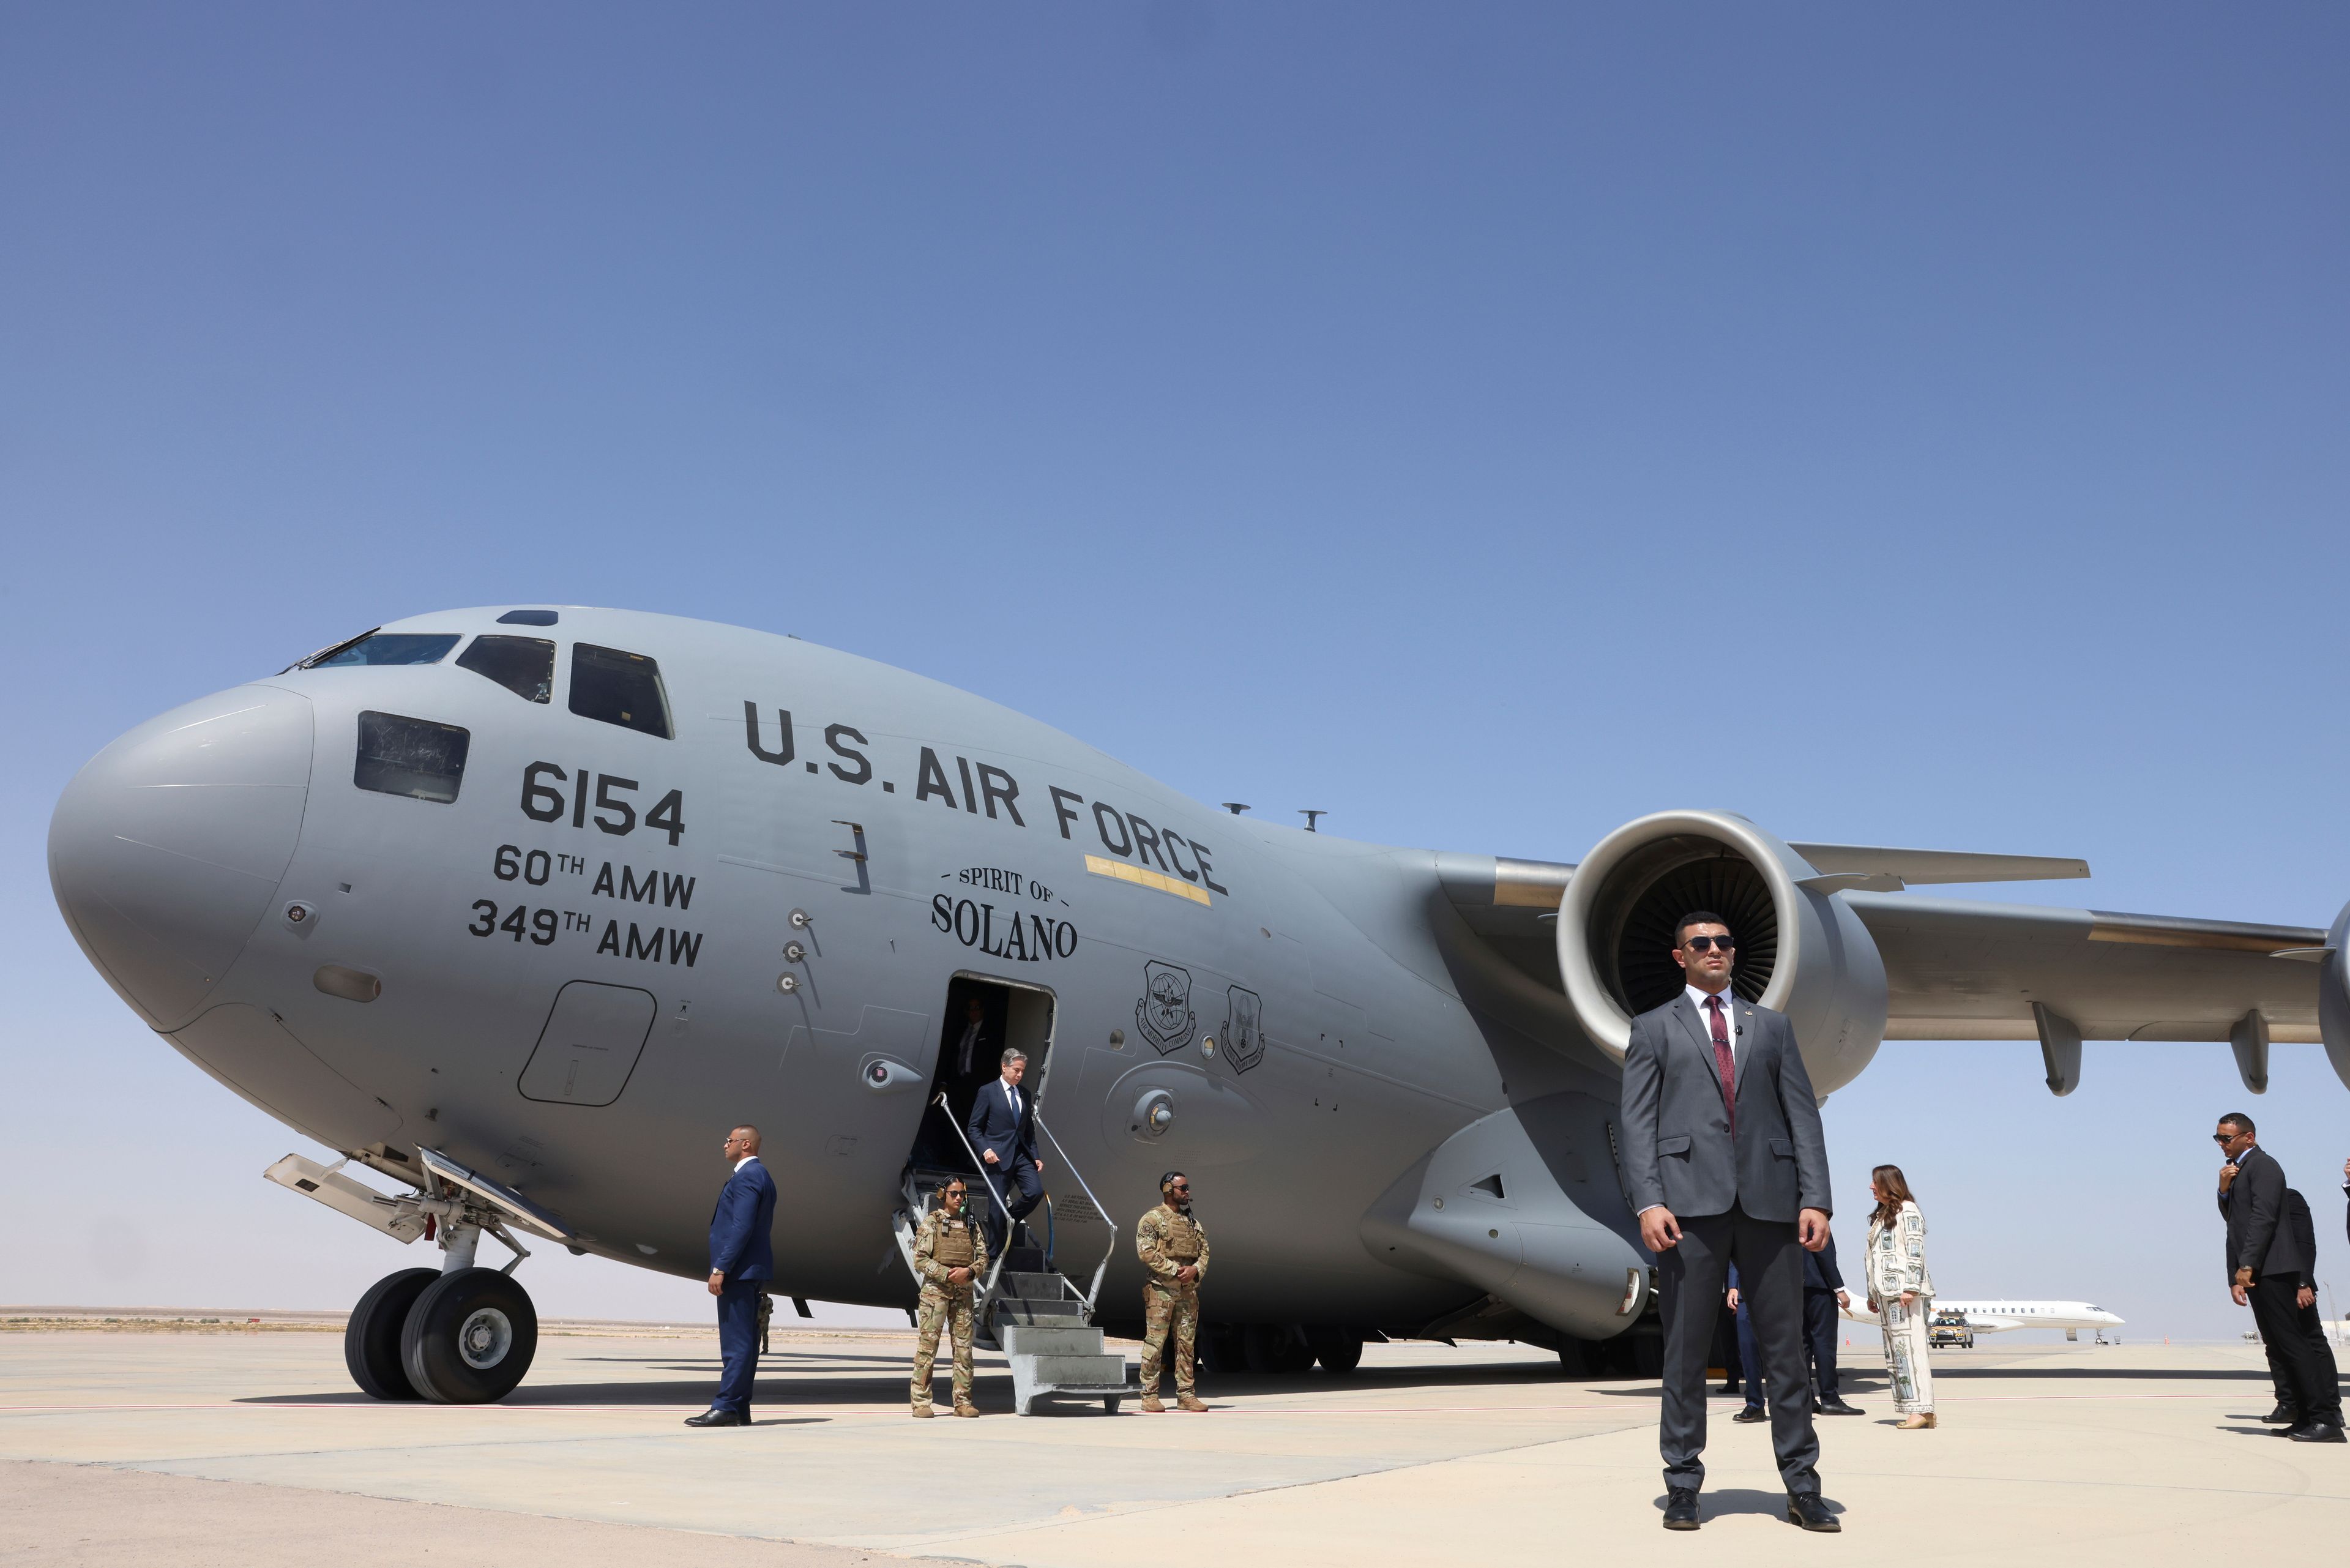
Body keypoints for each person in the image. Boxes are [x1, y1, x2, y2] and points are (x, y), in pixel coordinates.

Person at [1620, 911, 1838, 1534]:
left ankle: (1803, 1485)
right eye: (1701, 944)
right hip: (1686, 1208)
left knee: (1787, 1353)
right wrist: (1648, 1201)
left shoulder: (1772, 1028)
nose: (1715, 950)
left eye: (1723, 942)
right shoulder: (1653, 1029)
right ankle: (1683, 1483)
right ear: (1680, 955)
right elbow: (1637, 1123)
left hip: (1772, 1206)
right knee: (1686, 1353)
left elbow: (1803, 1116)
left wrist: (1815, 1198)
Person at [2215, 1113, 2343, 1441]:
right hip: (2262, 1269)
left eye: (2227, 1138)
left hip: (2272, 1269)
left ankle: (2325, 1419)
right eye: (2218, 1138)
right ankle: (2303, 1417)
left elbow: (2263, 1220)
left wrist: (2248, 1265)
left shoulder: (2264, 1166)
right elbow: (2236, 1223)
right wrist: (2224, 1190)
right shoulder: (2240, 1171)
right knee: (2280, 1346)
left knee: (2295, 1344)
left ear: (2249, 1137)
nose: (2221, 1144)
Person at [687, 1124, 777, 1428]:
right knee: (746, 1342)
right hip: (748, 1270)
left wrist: (721, 1268)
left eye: (730, 1141)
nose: (725, 1145)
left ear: (746, 1145)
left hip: (738, 1271)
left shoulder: (749, 1176)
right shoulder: (758, 1176)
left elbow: (742, 1227)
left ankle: (726, 1406)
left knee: (736, 1343)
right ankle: (739, 1408)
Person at [1729, 1233, 1860, 1422]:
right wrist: (1838, 1288)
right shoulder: (1813, 1220)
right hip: (1818, 1287)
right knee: (1824, 1343)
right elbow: (1823, 1253)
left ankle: (1806, 1399)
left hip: (1794, 1287)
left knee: (1803, 1345)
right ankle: (1830, 1398)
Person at [908, 1176, 989, 1419]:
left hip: (963, 1295)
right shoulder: (931, 1223)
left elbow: (983, 1258)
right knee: (928, 1348)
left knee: (964, 1350)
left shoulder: (971, 1225)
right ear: (943, 1195)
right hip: (935, 1295)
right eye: (953, 1193)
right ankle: (921, 1402)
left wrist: (969, 1272)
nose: (958, 1198)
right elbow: (920, 1258)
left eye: (962, 1194)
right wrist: (946, 1274)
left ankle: (963, 1402)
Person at [1863, 1165, 1936, 1430]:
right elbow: (1877, 1259)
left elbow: (1916, 1251)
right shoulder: (1885, 1214)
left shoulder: (1908, 1210)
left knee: (1911, 1349)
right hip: (1887, 1294)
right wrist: (1873, 1292)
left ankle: (1921, 1409)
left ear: (1888, 1184)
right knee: (1897, 1353)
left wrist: (1911, 1287)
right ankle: (1916, 1410)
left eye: (1875, 1182)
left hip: (1904, 1293)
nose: (1871, 1187)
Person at [1135, 1171, 1210, 1413]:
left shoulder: (1192, 1222)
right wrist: (1176, 1271)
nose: (1187, 1192)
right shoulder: (1153, 1219)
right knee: (1155, 1343)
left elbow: (1205, 1252)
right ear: (1169, 1190)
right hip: (1161, 1291)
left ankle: (1186, 1395)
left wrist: (1195, 1270)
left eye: (1188, 1187)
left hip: (1188, 1293)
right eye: (1182, 1188)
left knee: (1187, 1344)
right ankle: (1149, 1395)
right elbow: (1146, 1252)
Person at [968, 1048, 1045, 1252]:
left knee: (1035, 1192)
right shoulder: (988, 1091)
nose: (1020, 1075)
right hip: (997, 1156)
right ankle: (993, 1254)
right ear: (1004, 1067)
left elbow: (1028, 1131)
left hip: (1021, 1155)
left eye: (1022, 1072)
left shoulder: (1024, 1094)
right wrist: (986, 1150)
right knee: (996, 1204)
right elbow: (974, 1128)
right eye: (1016, 1070)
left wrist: (1035, 1156)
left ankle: (1007, 1220)